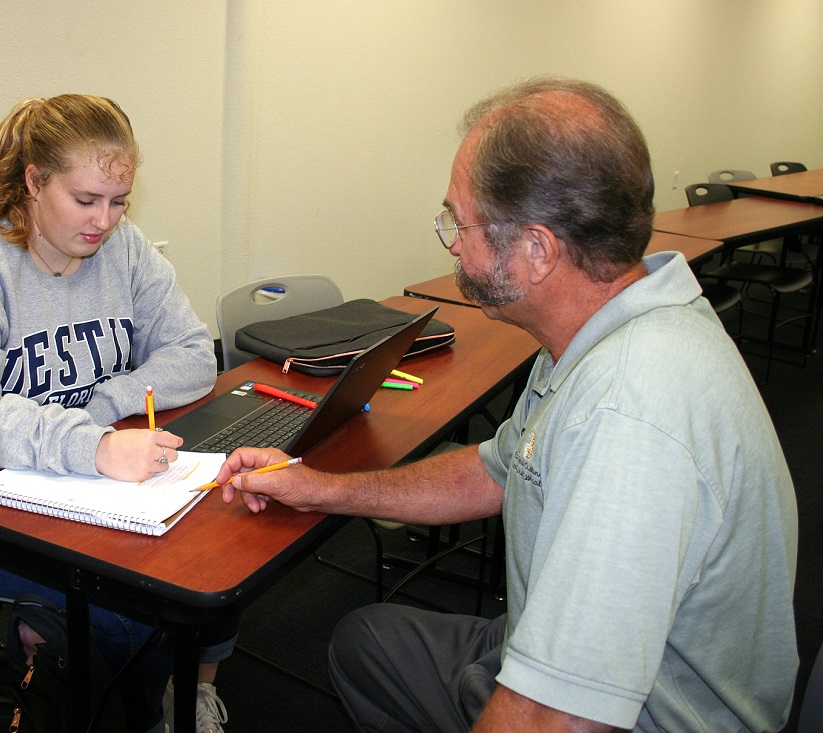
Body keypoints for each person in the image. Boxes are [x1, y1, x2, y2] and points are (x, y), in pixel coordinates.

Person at [211, 77, 799, 732]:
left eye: (458, 221)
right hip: (577, 656)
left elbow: (555, 716)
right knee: (367, 642)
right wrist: (319, 487)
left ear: (538, 250)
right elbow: (496, 469)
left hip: (650, 715)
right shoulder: (604, 325)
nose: (453, 243)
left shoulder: (628, 411)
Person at [0, 94, 231, 733]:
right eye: (86, 199)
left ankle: (172, 679)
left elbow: (192, 355)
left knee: (211, 543)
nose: (106, 220)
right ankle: (151, 713)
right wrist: (91, 446)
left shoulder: (124, 249)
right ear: (34, 181)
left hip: (63, 458)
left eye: (119, 200)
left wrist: (100, 410)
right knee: (134, 605)